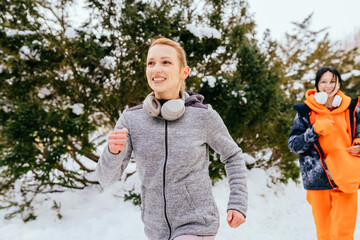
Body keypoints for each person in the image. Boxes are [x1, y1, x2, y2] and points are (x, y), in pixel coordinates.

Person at [95, 37, 248, 240]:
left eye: (166, 62)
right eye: (151, 63)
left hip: (197, 225)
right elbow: (106, 179)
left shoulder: (203, 116)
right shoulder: (131, 119)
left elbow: (233, 155)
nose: (156, 68)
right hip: (155, 230)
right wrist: (113, 152)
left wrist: (238, 202)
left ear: (184, 71)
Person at [288, 66, 360, 240]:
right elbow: (294, 145)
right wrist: (314, 130)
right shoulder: (306, 112)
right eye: (324, 82)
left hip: (345, 178)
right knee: (326, 233)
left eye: (332, 81)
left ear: (339, 84)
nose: (328, 86)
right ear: (317, 86)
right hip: (318, 179)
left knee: (343, 233)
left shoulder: (351, 109)